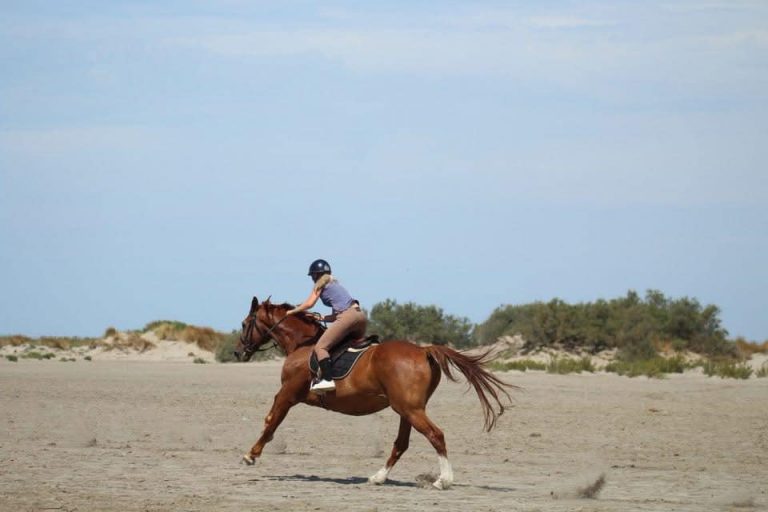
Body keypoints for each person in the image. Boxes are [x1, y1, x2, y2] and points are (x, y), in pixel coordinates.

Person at [286, 259, 367, 393]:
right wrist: (321, 317)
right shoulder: (335, 286)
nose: (312, 279)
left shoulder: (321, 284)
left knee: (321, 347)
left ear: (316, 275)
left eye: (312, 276)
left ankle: (327, 379)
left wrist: (292, 311)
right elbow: (338, 315)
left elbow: (309, 304)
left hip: (348, 317)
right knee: (345, 345)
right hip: (360, 317)